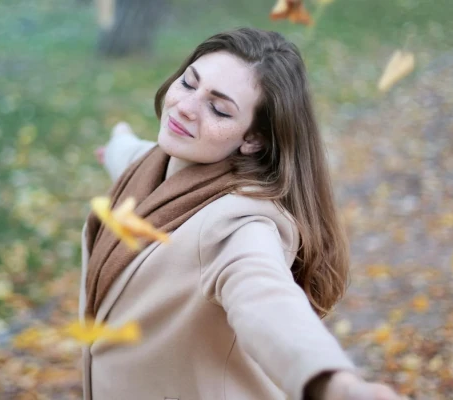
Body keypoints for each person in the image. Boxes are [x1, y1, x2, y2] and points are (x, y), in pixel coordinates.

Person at [81, 27, 401, 400]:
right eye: (188, 83)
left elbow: (266, 299)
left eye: (218, 108)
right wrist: (117, 143)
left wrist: (334, 384)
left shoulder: (238, 224)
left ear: (253, 139)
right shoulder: (152, 164)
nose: (185, 107)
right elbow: (133, 155)